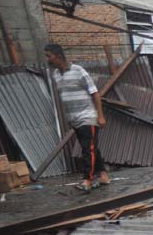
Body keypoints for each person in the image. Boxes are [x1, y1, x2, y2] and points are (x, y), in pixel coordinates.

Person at [44, 43, 110, 192]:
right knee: (91, 148)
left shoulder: (79, 71)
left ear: (59, 56)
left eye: (49, 56)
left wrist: (100, 116)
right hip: (74, 119)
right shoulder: (56, 75)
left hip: (87, 116)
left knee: (88, 149)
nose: (47, 59)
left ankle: (87, 179)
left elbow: (95, 94)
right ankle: (103, 175)